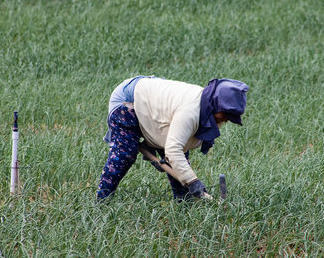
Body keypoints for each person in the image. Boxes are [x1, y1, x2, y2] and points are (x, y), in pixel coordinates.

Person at [97, 75, 248, 201]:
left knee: (177, 159)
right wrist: (193, 181)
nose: (227, 119)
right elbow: (173, 149)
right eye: (226, 115)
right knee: (125, 153)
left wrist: (166, 154)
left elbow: (178, 148)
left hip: (153, 105)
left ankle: (183, 202)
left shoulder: (207, 107)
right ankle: (102, 200)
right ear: (217, 105)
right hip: (128, 101)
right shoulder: (191, 111)